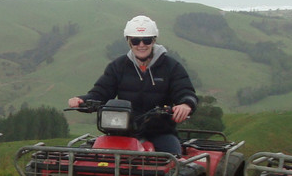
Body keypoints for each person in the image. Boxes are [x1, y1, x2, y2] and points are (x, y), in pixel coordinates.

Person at [68, 15, 197, 156]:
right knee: (91, 160)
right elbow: (101, 92)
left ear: (153, 40)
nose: (141, 45)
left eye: (146, 40)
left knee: (172, 161)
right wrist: (82, 100)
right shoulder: (118, 66)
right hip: (122, 132)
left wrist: (186, 104)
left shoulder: (171, 67)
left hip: (160, 132)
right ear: (129, 41)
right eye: (135, 40)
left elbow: (185, 90)